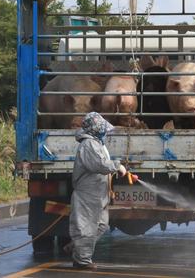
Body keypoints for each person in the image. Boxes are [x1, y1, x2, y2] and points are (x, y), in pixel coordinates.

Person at [67, 112, 126, 270]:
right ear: (96, 129)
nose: (105, 132)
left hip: (98, 194)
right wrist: (117, 166)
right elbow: (99, 165)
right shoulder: (89, 145)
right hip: (88, 193)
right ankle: (82, 261)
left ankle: (77, 246)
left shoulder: (96, 143)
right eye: (103, 129)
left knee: (101, 225)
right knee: (86, 226)